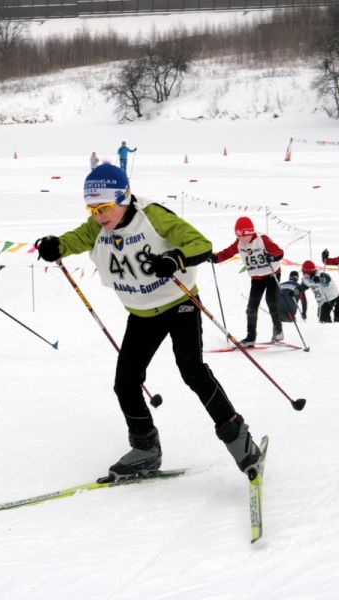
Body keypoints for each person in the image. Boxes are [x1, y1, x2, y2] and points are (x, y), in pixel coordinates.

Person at [34, 163, 262, 481]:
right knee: (125, 382)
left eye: (104, 207)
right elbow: (74, 240)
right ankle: (145, 449)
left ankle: (240, 440)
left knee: (192, 371)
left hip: (180, 304)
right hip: (141, 314)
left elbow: (200, 244)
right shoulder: (97, 227)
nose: (99, 215)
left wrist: (174, 258)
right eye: (92, 208)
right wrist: (55, 245)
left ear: (124, 197)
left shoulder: (152, 216)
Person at [211, 216, 284, 346]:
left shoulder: (262, 240)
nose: (241, 239)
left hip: (272, 273)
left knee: (271, 300)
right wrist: (215, 258)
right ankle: (251, 337)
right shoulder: (239, 243)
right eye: (238, 236)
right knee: (251, 307)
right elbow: (227, 253)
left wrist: (272, 256)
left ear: (250, 233)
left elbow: (279, 251)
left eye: (243, 236)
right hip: (257, 277)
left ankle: (278, 331)